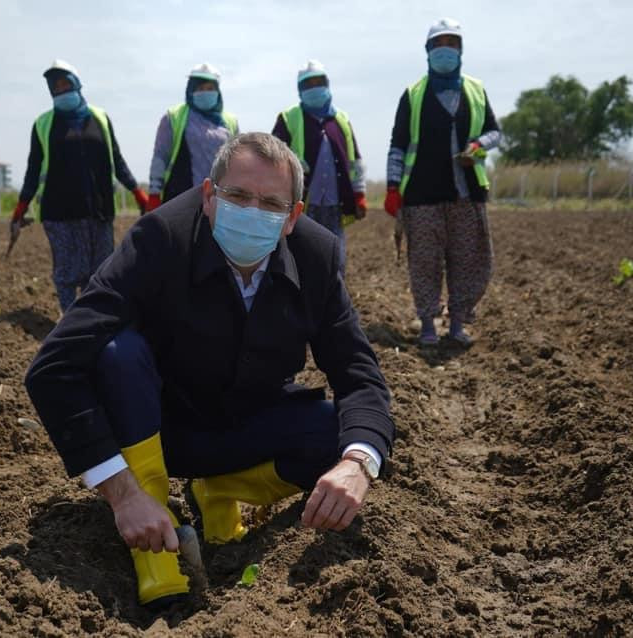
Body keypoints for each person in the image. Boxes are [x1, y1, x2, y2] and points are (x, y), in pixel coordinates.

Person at [25, 132, 395, 609]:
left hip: (250, 421)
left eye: (271, 204)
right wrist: (123, 495)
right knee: (118, 351)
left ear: (292, 218)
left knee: (341, 435)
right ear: (208, 196)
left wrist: (356, 465)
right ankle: (153, 541)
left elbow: (358, 374)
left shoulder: (317, 257)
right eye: (238, 196)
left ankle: (216, 491)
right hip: (161, 427)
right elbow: (53, 367)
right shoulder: (160, 239)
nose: (252, 211)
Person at [383, 18, 501, 346]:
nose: (445, 51)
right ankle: (428, 325)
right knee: (425, 261)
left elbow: (496, 132)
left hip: (466, 194)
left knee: (466, 259)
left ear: (461, 51)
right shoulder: (413, 95)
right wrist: (393, 187)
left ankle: (458, 323)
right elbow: (398, 144)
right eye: (439, 45)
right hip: (422, 195)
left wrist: (478, 146)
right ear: (428, 51)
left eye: (452, 44)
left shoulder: (476, 91)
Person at [10, 60, 150, 313]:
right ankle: (68, 318)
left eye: (66, 84)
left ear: (77, 84)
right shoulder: (43, 124)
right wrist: (22, 205)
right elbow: (33, 169)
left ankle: (91, 318)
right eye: (56, 86)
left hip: (98, 209)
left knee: (100, 270)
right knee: (66, 269)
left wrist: (137, 193)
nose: (62, 90)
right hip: (59, 212)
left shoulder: (100, 118)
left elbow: (116, 160)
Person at [272, 60, 366, 276]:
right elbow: (273, 155)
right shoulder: (289, 118)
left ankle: (332, 300)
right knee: (301, 256)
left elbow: (355, 160)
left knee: (335, 256)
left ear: (327, 85)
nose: (314, 88)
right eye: (308, 84)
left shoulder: (340, 119)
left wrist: (359, 193)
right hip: (302, 204)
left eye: (318, 82)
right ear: (300, 90)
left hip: (335, 202)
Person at [145, 63, 238, 212]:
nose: (205, 93)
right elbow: (160, 156)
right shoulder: (174, 116)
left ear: (217, 91)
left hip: (219, 199)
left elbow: (237, 159)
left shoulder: (230, 121)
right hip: (181, 197)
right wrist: (154, 192)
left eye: (210, 89)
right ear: (191, 90)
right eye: (200, 88)